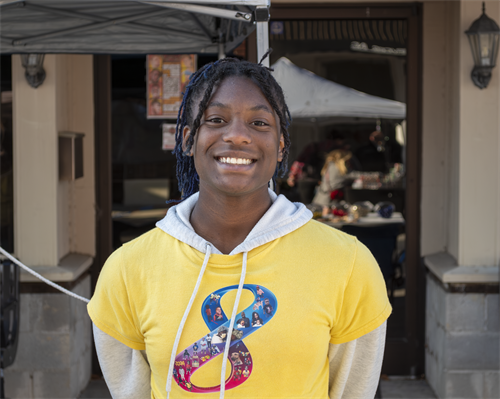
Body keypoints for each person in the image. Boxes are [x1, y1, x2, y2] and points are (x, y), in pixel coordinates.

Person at [88, 55, 391, 398]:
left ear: (280, 147)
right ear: (187, 140)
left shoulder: (348, 264)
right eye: (216, 119)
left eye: (259, 123)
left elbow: (353, 389)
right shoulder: (127, 270)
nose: (237, 136)